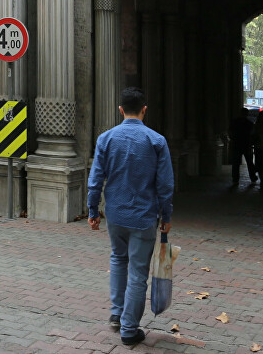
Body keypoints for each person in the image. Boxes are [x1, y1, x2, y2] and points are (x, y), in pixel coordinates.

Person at [87, 87, 174, 348]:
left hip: (115, 214)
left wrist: (93, 212)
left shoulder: (106, 139)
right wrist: (166, 215)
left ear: (121, 110)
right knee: (138, 272)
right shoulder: (156, 141)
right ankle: (129, 329)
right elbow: (165, 185)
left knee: (118, 258)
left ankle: (117, 313)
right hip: (144, 217)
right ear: (144, 110)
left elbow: (95, 181)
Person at [228, 108, 255, 186]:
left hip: (237, 144)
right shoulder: (249, 123)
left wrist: (233, 139)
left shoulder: (234, 122)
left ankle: (235, 179)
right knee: (249, 163)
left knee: (236, 163)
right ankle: (253, 177)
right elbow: (252, 135)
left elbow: (230, 132)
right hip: (246, 145)